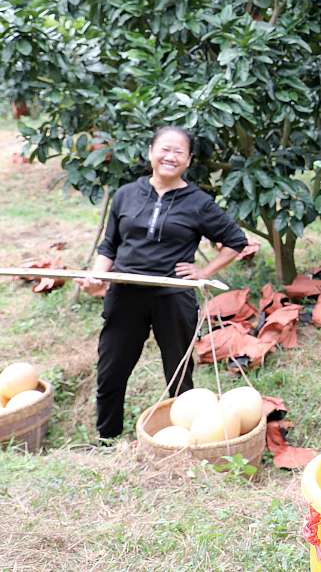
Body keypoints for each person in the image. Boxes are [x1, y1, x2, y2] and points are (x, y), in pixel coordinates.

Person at [76, 126, 248, 441]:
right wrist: (98, 277)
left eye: (179, 152)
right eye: (164, 149)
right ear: (151, 152)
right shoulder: (126, 194)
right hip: (125, 292)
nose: (170, 156)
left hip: (173, 295)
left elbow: (236, 241)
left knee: (179, 373)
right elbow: (109, 246)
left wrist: (204, 272)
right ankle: (107, 436)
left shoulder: (198, 202)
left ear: (188, 160)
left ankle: (185, 440)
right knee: (112, 369)